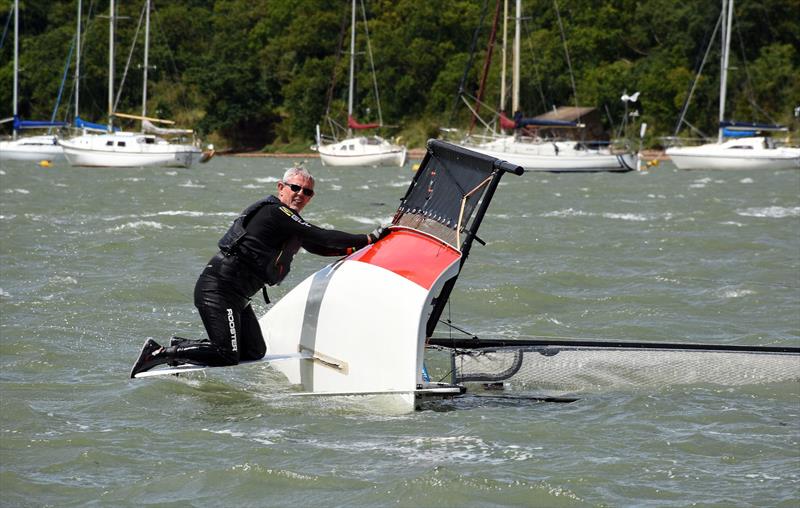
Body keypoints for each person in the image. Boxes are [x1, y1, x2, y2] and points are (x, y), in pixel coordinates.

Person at [130, 165, 389, 377]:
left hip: (238, 296)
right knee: (227, 354)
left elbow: (316, 244)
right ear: (281, 188)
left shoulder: (289, 224)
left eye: (307, 192)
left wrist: (354, 253)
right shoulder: (275, 212)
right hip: (218, 289)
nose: (300, 194)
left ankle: (182, 347)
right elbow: (319, 234)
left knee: (254, 352)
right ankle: (159, 352)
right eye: (295, 188)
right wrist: (368, 238)